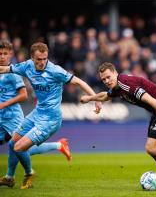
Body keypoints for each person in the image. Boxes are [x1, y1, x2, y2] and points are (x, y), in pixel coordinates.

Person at [0, 42, 101, 189]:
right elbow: (5, 69)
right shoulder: (26, 66)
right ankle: (10, 177)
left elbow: (79, 82)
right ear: (32, 58)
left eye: (44, 59)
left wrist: (95, 98)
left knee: (18, 148)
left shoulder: (55, 71)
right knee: (11, 143)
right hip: (37, 113)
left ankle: (29, 173)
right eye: (38, 59)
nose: (42, 62)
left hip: (50, 120)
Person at [80, 62, 156, 189]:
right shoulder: (117, 87)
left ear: (115, 73)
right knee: (153, 149)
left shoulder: (125, 84)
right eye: (103, 79)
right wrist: (90, 98)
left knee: (151, 148)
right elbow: (106, 96)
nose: (106, 80)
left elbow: (148, 98)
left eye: (108, 77)